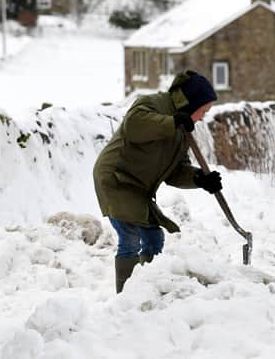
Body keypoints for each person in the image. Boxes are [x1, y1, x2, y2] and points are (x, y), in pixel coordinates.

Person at [93, 70, 223, 293]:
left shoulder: (183, 132)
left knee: (153, 237)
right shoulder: (153, 103)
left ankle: (148, 290)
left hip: (138, 187)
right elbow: (134, 126)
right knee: (130, 236)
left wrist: (199, 178)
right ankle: (126, 299)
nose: (202, 117)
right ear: (192, 103)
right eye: (202, 111)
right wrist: (171, 122)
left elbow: (175, 171)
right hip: (116, 177)